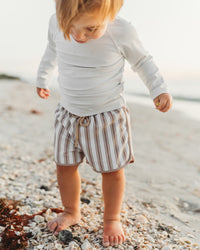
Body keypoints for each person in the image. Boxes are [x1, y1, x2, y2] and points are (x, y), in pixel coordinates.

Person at [36, 0, 172, 247]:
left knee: (112, 170)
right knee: (64, 166)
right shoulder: (55, 24)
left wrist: (158, 88)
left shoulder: (121, 31)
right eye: (72, 27)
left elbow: (142, 61)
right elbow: (51, 50)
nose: (80, 35)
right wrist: (42, 77)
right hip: (67, 113)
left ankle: (111, 217)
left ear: (113, 12)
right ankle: (71, 211)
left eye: (91, 29)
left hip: (107, 116)